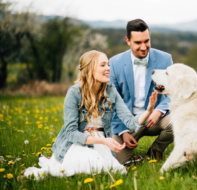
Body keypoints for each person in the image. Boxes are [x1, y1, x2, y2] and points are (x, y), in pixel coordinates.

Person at [23, 50, 157, 179]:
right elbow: (71, 133)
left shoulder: (111, 90)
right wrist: (103, 141)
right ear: (90, 69)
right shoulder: (74, 92)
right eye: (103, 65)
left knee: (116, 172)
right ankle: (38, 171)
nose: (108, 68)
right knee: (89, 166)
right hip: (77, 144)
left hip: (102, 144)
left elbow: (130, 122)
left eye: (108, 65)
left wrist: (149, 111)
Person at [109, 19, 173, 165]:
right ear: (128, 41)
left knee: (178, 121)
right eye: (138, 43)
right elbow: (111, 101)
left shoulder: (165, 59)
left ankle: (155, 152)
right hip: (129, 122)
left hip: (156, 119)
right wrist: (122, 132)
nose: (144, 47)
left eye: (147, 41)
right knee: (119, 163)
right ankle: (137, 160)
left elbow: (173, 92)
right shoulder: (114, 63)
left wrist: (158, 111)